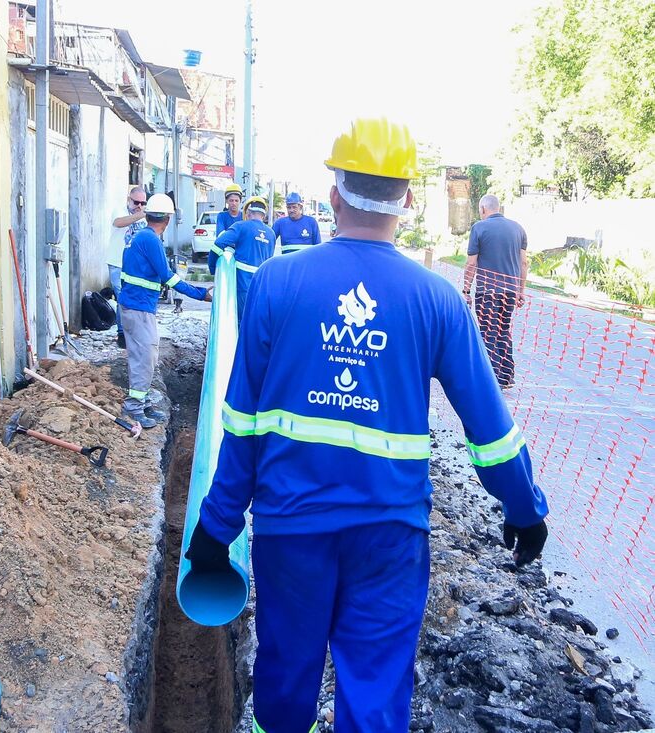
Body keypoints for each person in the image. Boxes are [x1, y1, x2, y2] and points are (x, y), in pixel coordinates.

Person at [185, 117, 549, 733]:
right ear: (406, 201)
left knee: (284, 673)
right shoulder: (436, 300)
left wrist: (216, 525)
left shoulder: (277, 283)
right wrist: (523, 505)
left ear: (332, 195)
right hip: (390, 532)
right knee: (376, 685)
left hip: (290, 526)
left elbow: (240, 421)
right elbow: (490, 430)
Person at [120, 193, 212, 428]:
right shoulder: (150, 240)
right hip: (138, 307)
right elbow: (168, 277)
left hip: (134, 305)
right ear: (168, 219)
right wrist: (202, 294)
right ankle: (134, 407)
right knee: (146, 355)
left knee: (142, 355)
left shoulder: (141, 236)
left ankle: (143, 400)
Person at [463, 194, 528, 389]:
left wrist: (466, 290)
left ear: (483, 209)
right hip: (510, 291)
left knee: (488, 332)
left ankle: (491, 379)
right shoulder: (518, 229)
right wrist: (520, 291)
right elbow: (523, 262)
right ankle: (506, 377)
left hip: (487, 291)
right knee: (503, 329)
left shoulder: (479, 228)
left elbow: (471, 263)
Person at [208, 196, 276, 319]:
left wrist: (213, 269)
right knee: (257, 320)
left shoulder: (240, 226)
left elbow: (217, 245)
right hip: (262, 284)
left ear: (248, 213)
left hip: (242, 282)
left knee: (241, 320)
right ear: (264, 215)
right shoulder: (271, 234)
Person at [107, 186, 149, 349]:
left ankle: (132, 332)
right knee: (122, 297)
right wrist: (141, 214)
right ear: (128, 200)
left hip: (135, 266)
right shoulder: (120, 210)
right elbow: (118, 223)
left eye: (142, 203)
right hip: (117, 263)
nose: (139, 205)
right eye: (136, 202)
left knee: (132, 298)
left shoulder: (144, 218)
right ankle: (122, 333)